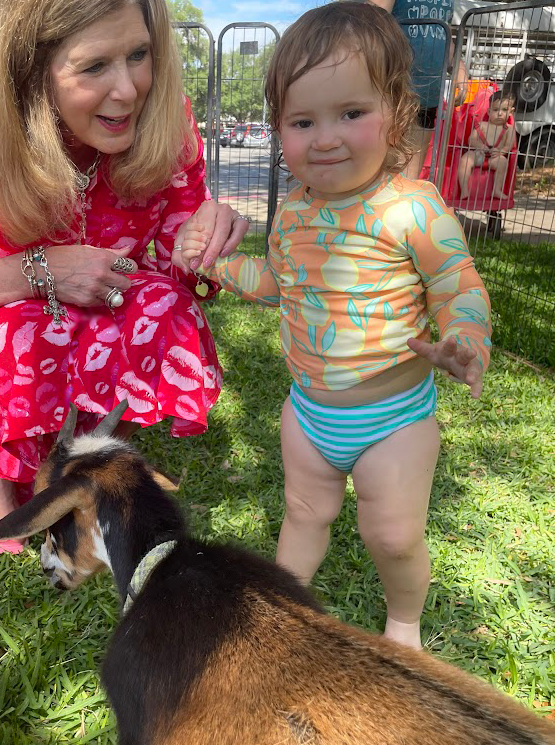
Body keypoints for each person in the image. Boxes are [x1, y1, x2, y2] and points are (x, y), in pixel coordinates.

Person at [0, 0, 246, 553]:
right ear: (33, 69)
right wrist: (35, 271)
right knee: (11, 331)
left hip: (111, 300)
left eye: (139, 55)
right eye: (95, 66)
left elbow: (175, 270)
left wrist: (203, 241)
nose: (129, 90)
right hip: (2, 318)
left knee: (168, 310)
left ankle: (95, 460)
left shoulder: (166, 114)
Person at [178, 2, 492, 649]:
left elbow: (457, 284)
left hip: (394, 417)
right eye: (302, 122)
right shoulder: (293, 212)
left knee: (393, 535)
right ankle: (282, 620)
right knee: (303, 514)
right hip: (308, 413)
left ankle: (403, 623)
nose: (324, 138)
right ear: (278, 128)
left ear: (396, 112)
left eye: (350, 113)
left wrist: (465, 337)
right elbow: (279, 283)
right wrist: (220, 267)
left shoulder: (411, 208)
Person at [370, 0, 456, 180]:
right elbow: (372, 20)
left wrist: (458, 66)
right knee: (383, 170)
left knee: (409, 177)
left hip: (429, 93)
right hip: (394, 90)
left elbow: (445, 32)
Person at [458, 90, 516, 201]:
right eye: (496, 110)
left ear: (511, 112)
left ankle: (497, 190)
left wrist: (500, 152)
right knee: (465, 159)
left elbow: (509, 146)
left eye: (504, 110)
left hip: (495, 158)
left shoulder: (509, 129)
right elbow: (471, 140)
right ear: (489, 112)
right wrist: (480, 145)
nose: (499, 113)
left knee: (503, 162)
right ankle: (464, 190)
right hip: (478, 154)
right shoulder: (482, 125)